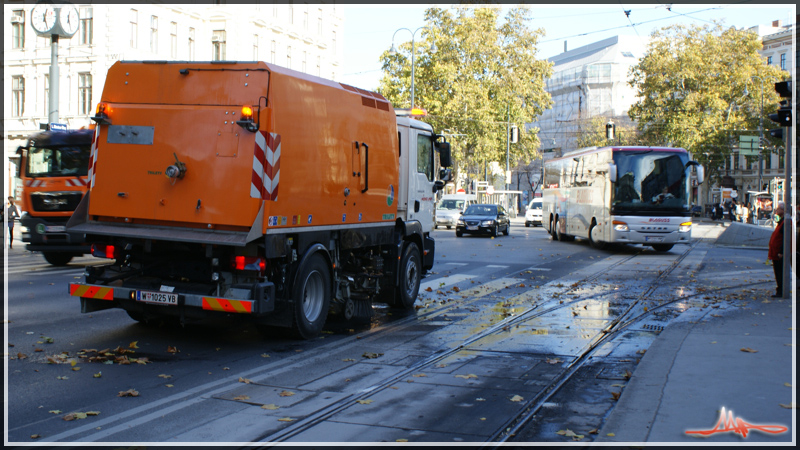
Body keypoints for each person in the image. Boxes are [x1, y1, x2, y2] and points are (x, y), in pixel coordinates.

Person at [767, 202, 791, 298]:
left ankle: (781, 291)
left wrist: (781, 251)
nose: (776, 210)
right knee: (778, 272)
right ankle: (780, 289)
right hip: (776, 252)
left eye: (778, 209)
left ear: (783, 210)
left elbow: (785, 239)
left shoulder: (785, 222)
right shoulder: (782, 221)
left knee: (780, 272)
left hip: (779, 253)